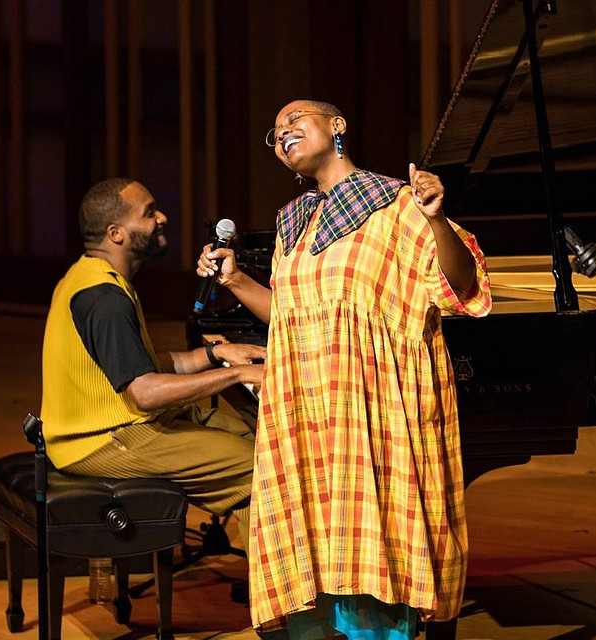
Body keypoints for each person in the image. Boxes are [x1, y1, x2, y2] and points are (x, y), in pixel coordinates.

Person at [197, 100, 491, 640]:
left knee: (375, 545)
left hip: (373, 410)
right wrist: (236, 281)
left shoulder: (397, 204)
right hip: (308, 415)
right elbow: (289, 315)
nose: (283, 133)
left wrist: (436, 219)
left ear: (337, 126)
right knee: (313, 546)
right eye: (275, 132)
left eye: (295, 120)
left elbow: (460, 286)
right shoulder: (292, 223)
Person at [41, 177, 266, 545]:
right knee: (261, 467)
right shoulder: (105, 298)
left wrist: (215, 354)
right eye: (148, 213)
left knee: (257, 438)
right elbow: (145, 393)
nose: (162, 218)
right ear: (116, 234)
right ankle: (282, 578)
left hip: (117, 425)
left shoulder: (90, 275)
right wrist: (237, 374)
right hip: (99, 441)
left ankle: (269, 571)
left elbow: (137, 366)